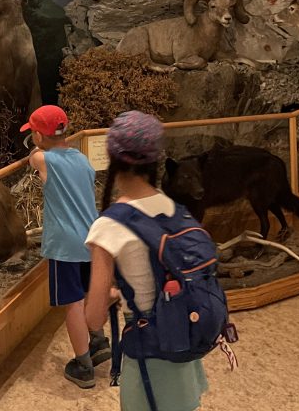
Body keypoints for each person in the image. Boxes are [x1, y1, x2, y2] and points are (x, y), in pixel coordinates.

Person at [84, 111, 209, 411]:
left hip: (149, 351)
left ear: (114, 160)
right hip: (185, 342)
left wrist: (113, 295)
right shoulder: (173, 208)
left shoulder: (110, 224)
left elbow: (93, 318)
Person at [24, 104, 110, 388]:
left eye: (33, 132)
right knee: (88, 293)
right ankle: (98, 341)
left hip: (65, 246)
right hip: (91, 239)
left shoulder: (43, 159)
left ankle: (83, 364)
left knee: (72, 303)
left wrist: (37, 147)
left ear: (38, 135)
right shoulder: (82, 159)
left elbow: (33, 157)